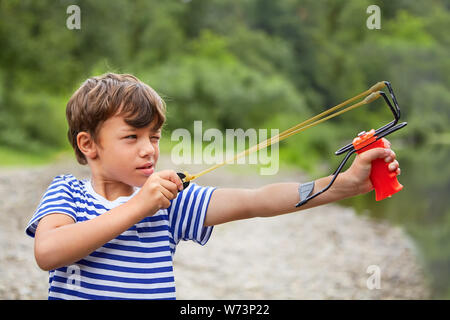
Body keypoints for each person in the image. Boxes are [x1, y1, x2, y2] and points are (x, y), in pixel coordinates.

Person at [25, 73, 401, 300]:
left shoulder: (169, 201)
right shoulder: (67, 193)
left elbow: (256, 201)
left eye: (154, 137)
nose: (148, 149)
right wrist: (139, 207)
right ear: (88, 145)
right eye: (131, 137)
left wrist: (345, 183)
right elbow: (49, 252)